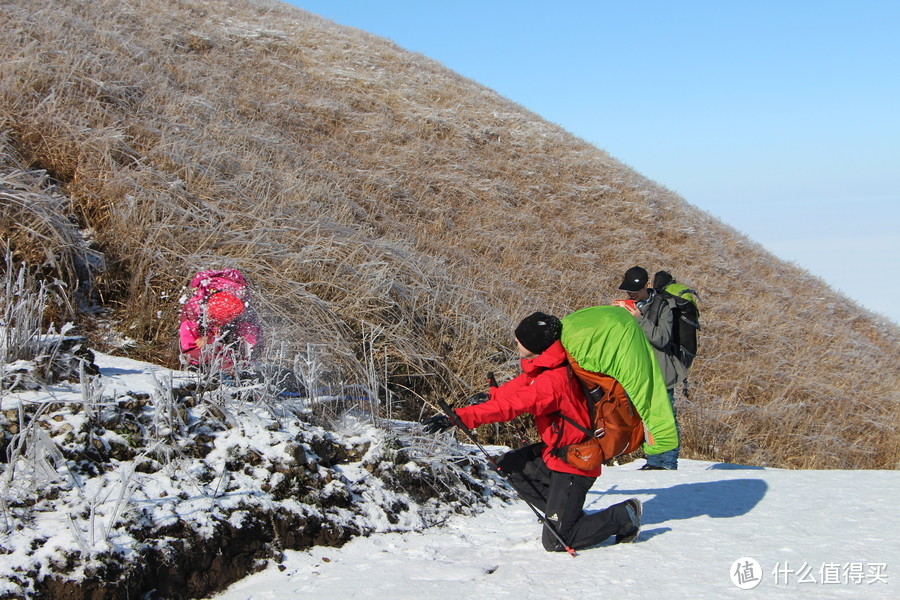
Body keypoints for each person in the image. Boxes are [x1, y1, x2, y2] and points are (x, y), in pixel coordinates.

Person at [421, 312, 642, 552]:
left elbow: (512, 407)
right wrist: (489, 396)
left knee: (558, 541)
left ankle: (623, 515)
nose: (516, 343)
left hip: (575, 463)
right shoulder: (547, 367)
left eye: (521, 340)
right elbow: (517, 389)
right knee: (509, 466)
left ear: (536, 345)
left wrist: (458, 418)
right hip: (555, 454)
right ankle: (566, 514)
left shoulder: (552, 382)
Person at [614, 266, 682, 470]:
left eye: (635, 290)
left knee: (666, 416)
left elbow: (662, 338)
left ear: (647, 285)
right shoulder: (629, 305)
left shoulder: (663, 305)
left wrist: (639, 318)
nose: (631, 294)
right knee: (647, 416)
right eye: (628, 290)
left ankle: (668, 463)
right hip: (639, 371)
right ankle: (653, 461)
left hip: (661, 371)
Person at [179, 269, 262, 374]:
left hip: (234, 363)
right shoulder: (193, 308)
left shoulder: (246, 314)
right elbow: (189, 348)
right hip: (202, 363)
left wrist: (213, 341)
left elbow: (250, 348)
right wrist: (211, 346)